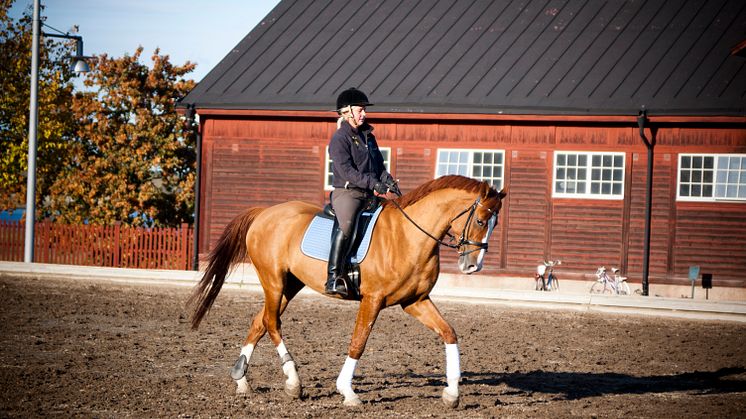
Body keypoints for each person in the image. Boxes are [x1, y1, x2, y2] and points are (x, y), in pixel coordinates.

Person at [325, 87, 399, 298]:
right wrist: (373, 184)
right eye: (360, 110)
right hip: (348, 192)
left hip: (368, 192)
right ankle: (333, 277)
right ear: (347, 112)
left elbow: (379, 166)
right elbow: (346, 171)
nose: (364, 114)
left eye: (364, 110)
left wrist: (388, 181)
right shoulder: (340, 139)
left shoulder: (369, 137)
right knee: (347, 225)